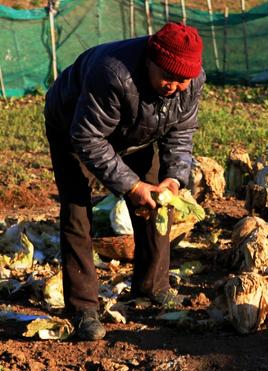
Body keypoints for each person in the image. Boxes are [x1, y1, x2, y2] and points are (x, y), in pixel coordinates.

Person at [44, 22, 205, 341]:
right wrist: (131, 186)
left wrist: (173, 179)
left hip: (139, 133)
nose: (175, 86)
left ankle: (152, 287)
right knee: (77, 210)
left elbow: (181, 131)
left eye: (183, 80)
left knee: (160, 203)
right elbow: (87, 137)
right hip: (74, 129)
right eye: (168, 78)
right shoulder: (113, 73)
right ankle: (82, 308)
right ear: (150, 62)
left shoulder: (192, 80)